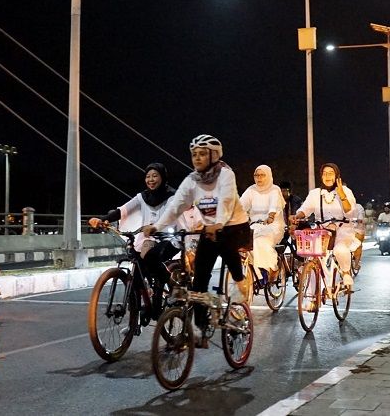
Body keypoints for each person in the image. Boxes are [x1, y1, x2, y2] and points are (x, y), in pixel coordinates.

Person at [143, 134, 250, 349]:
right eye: (194, 155)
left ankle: (241, 285)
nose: (197, 158)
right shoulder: (192, 180)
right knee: (199, 281)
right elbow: (176, 206)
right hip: (210, 230)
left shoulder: (226, 175)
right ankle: (201, 329)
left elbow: (227, 201)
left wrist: (219, 223)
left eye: (202, 154)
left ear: (214, 155)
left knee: (228, 249)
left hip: (234, 226)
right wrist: (157, 226)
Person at [88, 162, 178, 318]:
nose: (151, 179)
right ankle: (134, 321)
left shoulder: (172, 196)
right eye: (148, 176)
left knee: (150, 257)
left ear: (163, 178)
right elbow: (122, 210)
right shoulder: (142, 197)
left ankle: (172, 285)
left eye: (155, 176)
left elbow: (170, 216)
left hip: (167, 238)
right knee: (136, 269)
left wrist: (156, 226)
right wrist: (103, 219)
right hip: (146, 238)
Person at [291, 163, 357, 289]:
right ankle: (312, 298)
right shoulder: (315, 193)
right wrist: (297, 216)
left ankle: (346, 272)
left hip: (342, 229)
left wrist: (342, 194)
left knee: (340, 250)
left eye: (331, 173)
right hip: (322, 231)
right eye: (324, 173)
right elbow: (305, 209)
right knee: (312, 260)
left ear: (337, 176)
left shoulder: (346, 191)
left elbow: (350, 212)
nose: (327, 176)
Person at [240, 165, 285, 287]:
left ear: (269, 176)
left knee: (261, 242)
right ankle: (255, 274)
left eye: (262, 175)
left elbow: (274, 205)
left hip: (273, 225)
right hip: (255, 226)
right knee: (243, 245)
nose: (259, 178)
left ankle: (272, 268)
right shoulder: (251, 190)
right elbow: (240, 206)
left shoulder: (274, 189)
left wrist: (270, 216)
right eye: (256, 175)